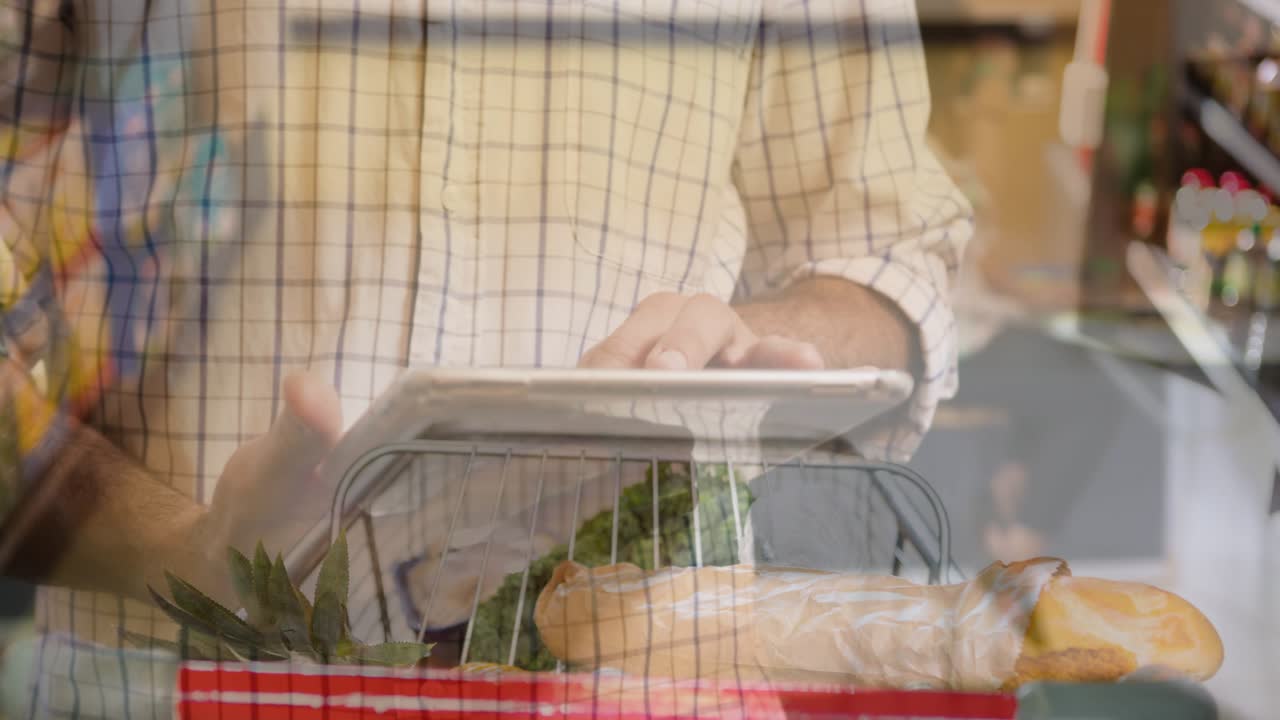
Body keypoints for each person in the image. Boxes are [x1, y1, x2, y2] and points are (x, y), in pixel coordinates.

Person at [0, 0, 970, 715]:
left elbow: (882, 259)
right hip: (166, 684)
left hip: (634, 691)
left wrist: (750, 347)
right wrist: (185, 555)